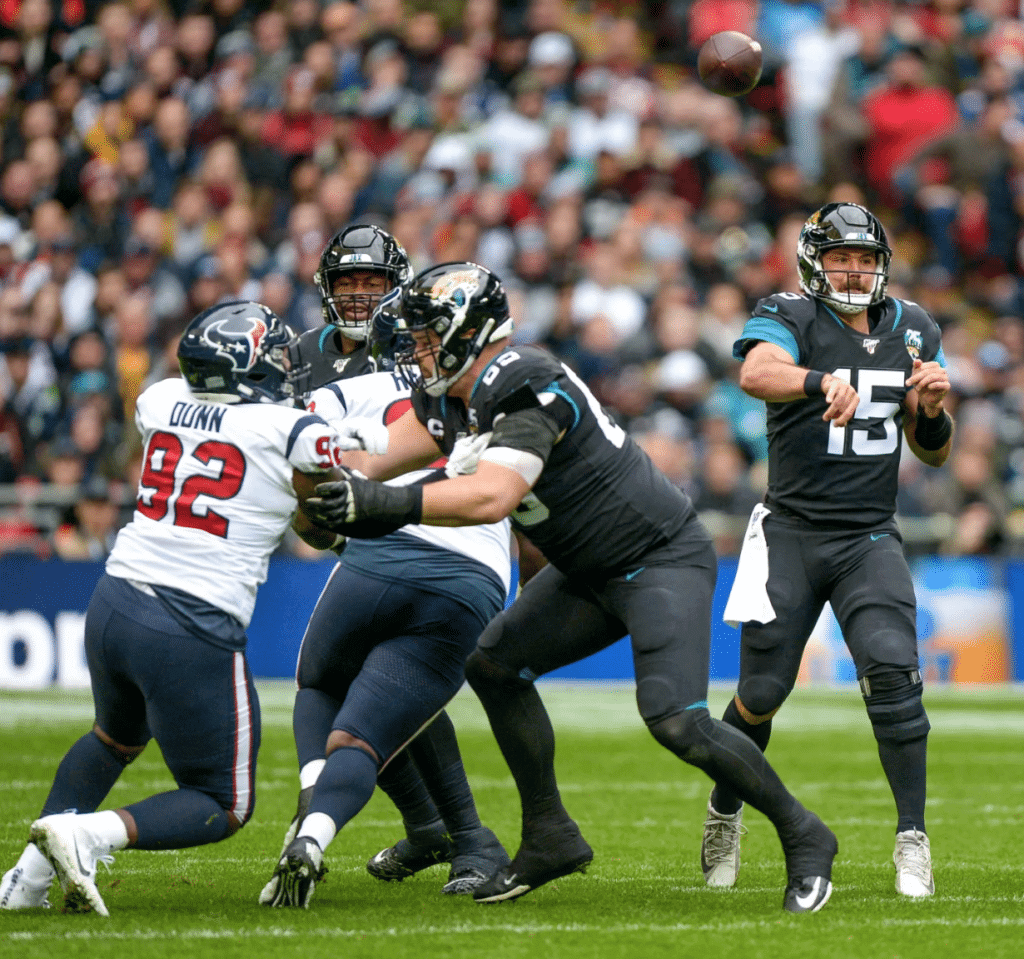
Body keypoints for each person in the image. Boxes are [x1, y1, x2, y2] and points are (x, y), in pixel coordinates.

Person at [301, 261, 840, 913]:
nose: (415, 351)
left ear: (469, 331)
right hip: (589, 568)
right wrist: (306, 468)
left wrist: (376, 503)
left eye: (425, 337)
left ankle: (806, 834)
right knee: (494, 664)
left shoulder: (523, 380)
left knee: (676, 720)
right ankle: (550, 835)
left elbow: (492, 494)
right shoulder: (449, 396)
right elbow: (378, 458)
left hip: (657, 557)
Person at [0, 301, 356, 916]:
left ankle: (25, 880)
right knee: (225, 801)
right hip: (192, 620)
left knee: (113, 738)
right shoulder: (293, 430)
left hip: (115, 599)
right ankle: (88, 835)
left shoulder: (160, 399)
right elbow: (317, 523)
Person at [701, 202, 951, 899]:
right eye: (841, 257)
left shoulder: (915, 327)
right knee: (760, 693)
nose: (854, 269)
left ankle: (912, 837)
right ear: (815, 260)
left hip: (869, 532)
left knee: (894, 673)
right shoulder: (790, 313)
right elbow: (756, 373)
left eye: (866, 258)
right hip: (792, 530)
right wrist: (819, 380)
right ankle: (725, 809)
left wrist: (930, 411)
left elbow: (934, 453)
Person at [260, 291, 513, 909]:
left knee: (325, 688)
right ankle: (442, 835)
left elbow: (321, 487)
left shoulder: (343, 396)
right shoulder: (482, 391)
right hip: (480, 570)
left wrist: (316, 513)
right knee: (385, 704)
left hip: (393, 549)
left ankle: (315, 814)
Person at [290, 223, 413, 390]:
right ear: (328, 289)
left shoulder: (414, 348)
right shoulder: (303, 350)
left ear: (398, 288)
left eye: (372, 284)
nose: (357, 293)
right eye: (346, 284)